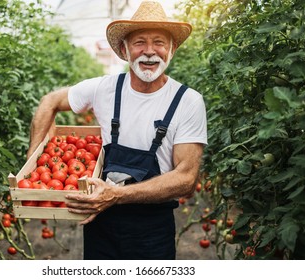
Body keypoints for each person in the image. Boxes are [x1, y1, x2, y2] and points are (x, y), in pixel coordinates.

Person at [27, 0, 207, 260]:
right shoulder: (105, 88)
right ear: (124, 49)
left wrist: (117, 195)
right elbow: (50, 102)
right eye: (139, 43)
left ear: (172, 49)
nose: (149, 51)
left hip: (153, 230)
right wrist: (34, 160)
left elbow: (186, 179)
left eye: (159, 42)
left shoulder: (188, 101)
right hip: (101, 224)